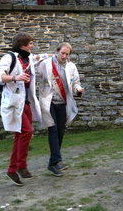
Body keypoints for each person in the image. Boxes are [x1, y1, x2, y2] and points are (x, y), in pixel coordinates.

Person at [0, 33, 42, 186]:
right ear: (22, 44)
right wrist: (16, 78)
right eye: (30, 43)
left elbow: (41, 58)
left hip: (25, 102)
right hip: (14, 103)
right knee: (26, 132)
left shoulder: (28, 58)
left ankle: (18, 167)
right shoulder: (9, 58)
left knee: (21, 135)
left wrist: (59, 54)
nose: (32, 45)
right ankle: (15, 167)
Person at [36, 42, 83, 176]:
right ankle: (57, 160)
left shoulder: (71, 66)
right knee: (53, 129)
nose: (64, 56)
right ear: (57, 51)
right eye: (62, 53)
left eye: (67, 54)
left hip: (63, 102)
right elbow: (33, 69)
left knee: (61, 131)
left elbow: (75, 83)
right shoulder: (45, 64)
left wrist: (78, 89)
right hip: (49, 101)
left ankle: (53, 163)